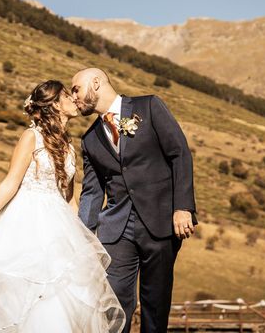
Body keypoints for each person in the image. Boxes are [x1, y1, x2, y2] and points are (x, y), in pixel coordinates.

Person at [0, 80, 126, 332]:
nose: (74, 99)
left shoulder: (68, 146)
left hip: (58, 230)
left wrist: (84, 239)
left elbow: (69, 198)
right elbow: (10, 183)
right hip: (27, 225)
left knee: (60, 297)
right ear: (54, 104)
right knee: (30, 296)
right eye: (68, 95)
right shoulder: (31, 137)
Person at [70, 67, 199, 333]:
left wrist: (183, 207)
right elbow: (93, 193)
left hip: (161, 222)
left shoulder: (149, 106)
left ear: (96, 82)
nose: (74, 97)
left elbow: (180, 154)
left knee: (155, 302)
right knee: (114, 302)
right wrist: (84, 234)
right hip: (115, 231)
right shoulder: (90, 139)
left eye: (76, 89)